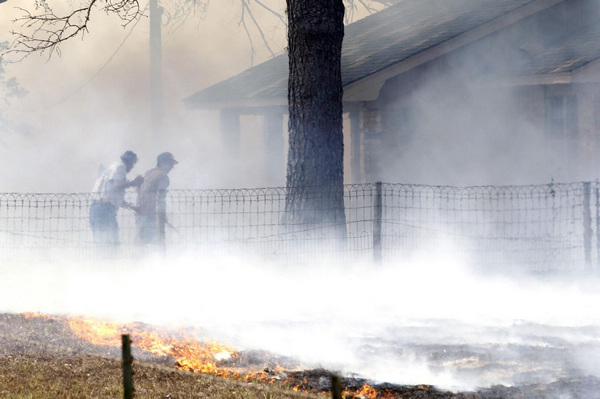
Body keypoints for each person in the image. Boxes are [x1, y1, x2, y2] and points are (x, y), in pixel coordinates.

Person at [89, 151, 144, 245]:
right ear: (129, 162)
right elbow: (116, 185)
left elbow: (112, 195)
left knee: (103, 242)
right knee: (110, 243)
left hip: (99, 209)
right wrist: (133, 183)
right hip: (104, 210)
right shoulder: (121, 166)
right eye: (133, 164)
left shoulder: (112, 168)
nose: (132, 167)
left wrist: (133, 208)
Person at [136, 152, 178, 245]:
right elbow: (161, 199)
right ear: (163, 163)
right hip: (150, 216)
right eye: (170, 164)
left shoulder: (148, 173)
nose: (172, 167)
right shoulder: (163, 177)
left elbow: (139, 189)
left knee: (141, 244)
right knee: (154, 245)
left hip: (140, 213)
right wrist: (162, 215)